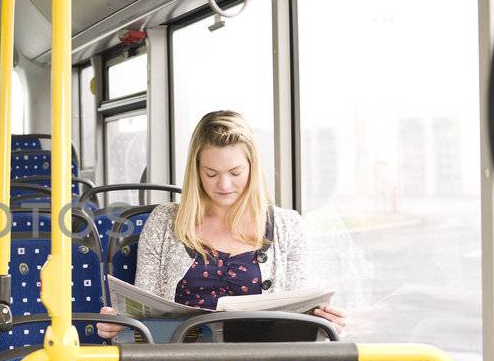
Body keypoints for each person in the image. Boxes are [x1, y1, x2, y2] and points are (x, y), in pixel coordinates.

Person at [99, 109, 345, 337]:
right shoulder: (163, 223)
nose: (224, 185)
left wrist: (323, 326)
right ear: (196, 172)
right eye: (211, 174)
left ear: (252, 168)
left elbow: (297, 319)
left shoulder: (288, 227)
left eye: (235, 173)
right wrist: (120, 325)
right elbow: (143, 315)